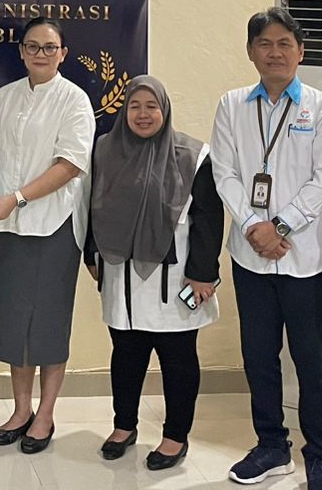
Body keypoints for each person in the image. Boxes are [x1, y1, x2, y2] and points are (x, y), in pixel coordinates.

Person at [209, 8, 322, 489]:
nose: (275, 52)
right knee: (259, 356)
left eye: (285, 43)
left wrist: (280, 225)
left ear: (301, 51)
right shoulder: (231, 105)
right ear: (251, 52)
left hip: (308, 258)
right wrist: (254, 227)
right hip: (251, 257)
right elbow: (223, 172)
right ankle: (271, 446)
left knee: (313, 361)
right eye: (264, 43)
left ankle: (320, 455)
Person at [84, 75, 220, 472]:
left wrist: (202, 273)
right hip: (120, 275)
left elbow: (209, 218)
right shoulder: (105, 149)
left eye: (151, 106)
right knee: (126, 355)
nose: (142, 115)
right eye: (134, 106)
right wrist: (92, 253)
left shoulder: (193, 155)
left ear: (165, 109)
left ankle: (175, 435)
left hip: (175, 279)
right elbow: (92, 205)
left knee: (178, 359)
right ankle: (124, 426)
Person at [0, 16, 94, 454]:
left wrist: (19, 197)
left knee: (47, 322)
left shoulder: (74, 100)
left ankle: (45, 414)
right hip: (7, 225)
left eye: (49, 47)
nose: (40, 54)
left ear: (63, 54)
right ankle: (20, 409)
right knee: (12, 320)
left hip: (54, 225)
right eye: (32, 46)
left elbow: (70, 165)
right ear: (21, 52)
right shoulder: (4, 97)